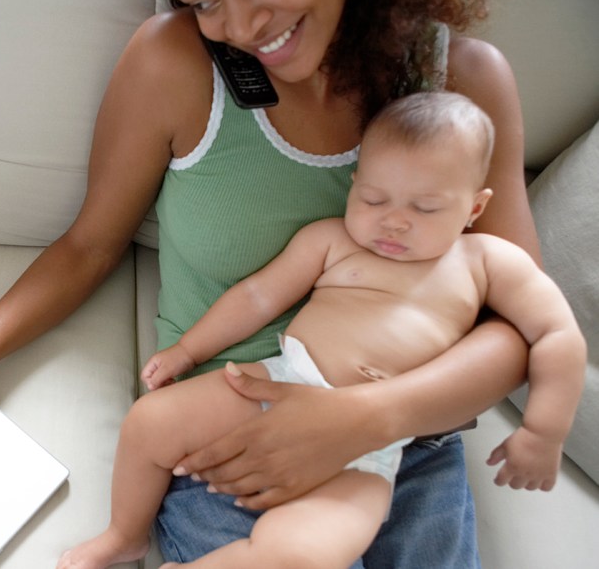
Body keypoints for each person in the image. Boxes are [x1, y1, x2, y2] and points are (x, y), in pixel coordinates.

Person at [0, 0, 541, 565]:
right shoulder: (173, 62)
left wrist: (371, 418)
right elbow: (89, 245)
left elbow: (521, 331)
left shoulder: (461, 84)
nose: (241, 25)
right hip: (225, 433)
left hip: (408, 439)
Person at [57, 92, 586, 569]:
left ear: (474, 207)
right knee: (151, 421)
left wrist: (544, 430)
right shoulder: (334, 239)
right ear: (353, 185)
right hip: (281, 383)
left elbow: (557, 333)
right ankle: (123, 534)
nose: (393, 222)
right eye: (375, 199)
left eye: (425, 207)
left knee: (303, 555)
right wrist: (188, 350)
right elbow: (258, 296)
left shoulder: (488, 260)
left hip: (374, 444)